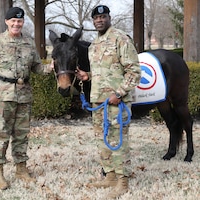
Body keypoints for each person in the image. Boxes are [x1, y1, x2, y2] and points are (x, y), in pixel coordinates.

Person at [0, 7, 54, 190]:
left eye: (19, 21)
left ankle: (21, 168)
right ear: (7, 21)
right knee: (1, 134)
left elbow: (37, 68)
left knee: (21, 135)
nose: (16, 24)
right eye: (13, 21)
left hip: (23, 95)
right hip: (1, 96)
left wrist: (50, 67)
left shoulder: (28, 42)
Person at [76, 5, 141, 199]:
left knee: (118, 140)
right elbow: (101, 73)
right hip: (98, 101)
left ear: (109, 18)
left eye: (103, 17)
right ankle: (110, 176)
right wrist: (86, 76)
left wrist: (119, 94)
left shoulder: (121, 38)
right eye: (96, 18)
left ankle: (123, 181)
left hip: (116, 102)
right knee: (102, 139)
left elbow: (134, 71)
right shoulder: (94, 44)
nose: (99, 20)